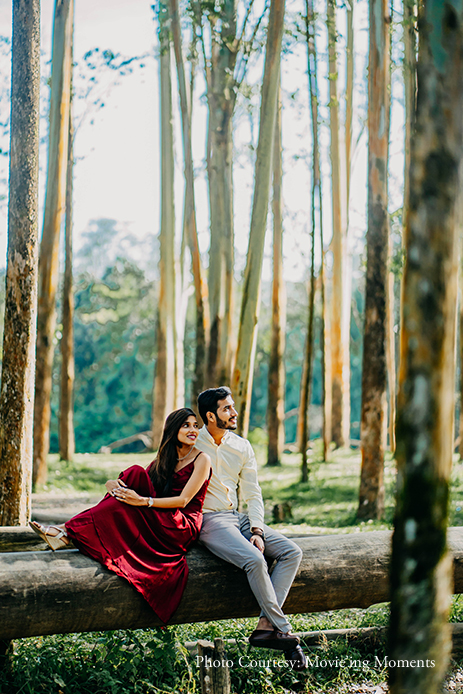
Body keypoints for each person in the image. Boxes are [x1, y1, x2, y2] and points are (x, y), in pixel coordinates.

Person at [30, 408, 211, 624]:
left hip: (181, 525)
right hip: (162, 516)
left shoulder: (202, 459)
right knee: (134, 473)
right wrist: (113, 485)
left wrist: (144, 501)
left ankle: (66, 531)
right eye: (186, 425)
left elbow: (183, 501)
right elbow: (139, 483)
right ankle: (66, 531)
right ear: (173, 430)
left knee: (133, 489)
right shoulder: (165, 458)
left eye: (195, 425)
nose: (193, 430)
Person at [194, 387, 307, 671]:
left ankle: (265, 626)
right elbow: (159, 471)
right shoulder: (193, 442)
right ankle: (287, 635)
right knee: (254, 560)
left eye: (233, 407)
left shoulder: (242, 446)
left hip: (239, 517)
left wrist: (256, 529)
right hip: (210, 520)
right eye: (226, 409)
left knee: (292, 552)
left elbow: (253, 493)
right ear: (210, 415)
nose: (234, 413)